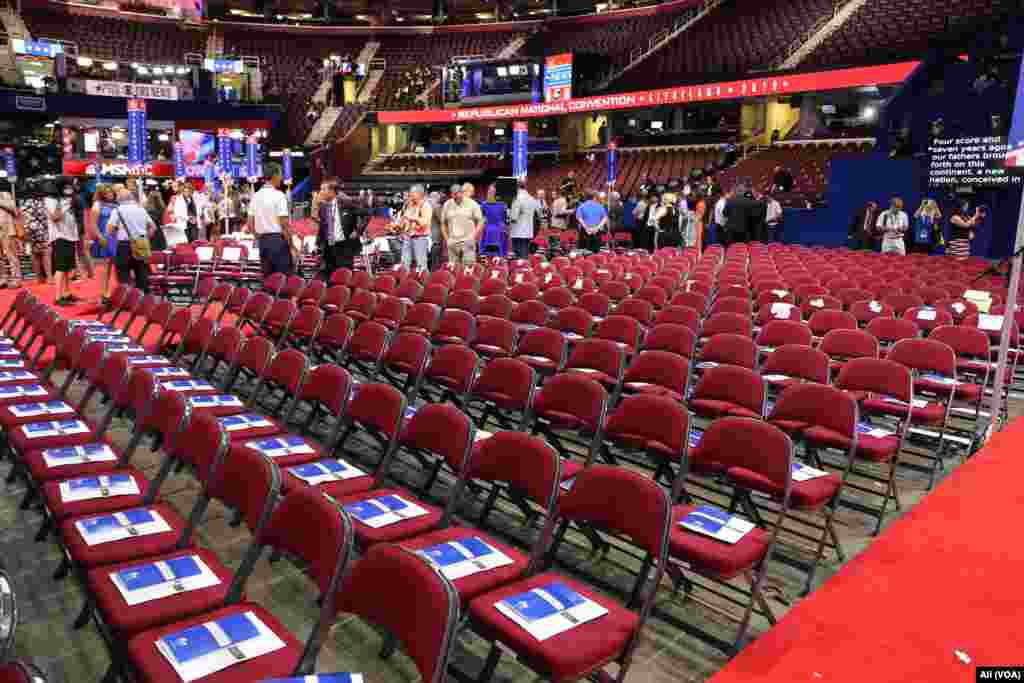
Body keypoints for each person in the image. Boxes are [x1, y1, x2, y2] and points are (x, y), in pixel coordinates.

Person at [248, 163, 296, 276]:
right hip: (278, 242)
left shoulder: (255, 196)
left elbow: (250, 225)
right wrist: (292, 246)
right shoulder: (279, 196)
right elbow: (284, 225)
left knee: (268, 280)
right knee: (283, 280)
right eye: (280, 174)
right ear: (274, 175)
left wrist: (260, 237)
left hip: (263, 243)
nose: (282, 177)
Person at [105, 186, 156, 292]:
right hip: (141, 243)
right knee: (142, 272)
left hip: (124, 245)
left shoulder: (117, 211)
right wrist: (145, 238)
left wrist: (116, 236)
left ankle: (127, 297)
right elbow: (153, 227)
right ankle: (144, 298)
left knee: (123, 273)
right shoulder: (141, 209)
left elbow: (109, 230)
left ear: (119, 198)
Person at [317, 179, 365, 277]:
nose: (320, 192)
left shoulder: (347, 203)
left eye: (323, 189)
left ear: (331, 191)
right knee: (329, 279)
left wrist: (358, 231)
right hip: (328, 249)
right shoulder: (322, 207)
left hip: (345, 248)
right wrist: (318, 243)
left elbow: (366, 214)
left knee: (344, 277)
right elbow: (322, 227)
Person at [45, 179, 80, 305]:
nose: (70, 190)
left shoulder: (68, 200)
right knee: (60, 267)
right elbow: (55, 217)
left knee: (66, 268)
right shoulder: (50, 200)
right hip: (59, 237)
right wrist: (64, 204)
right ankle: (58, 297)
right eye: (67, 187)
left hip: (70, 236)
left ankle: (66, 293)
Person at [86, 184, 118, 305]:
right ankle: (104, 293)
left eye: (111, 192)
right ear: (102, 193)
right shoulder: (97, 204)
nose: (110, 194)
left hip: (116, 238)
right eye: (107, 192)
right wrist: (100, 237)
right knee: (105, 267)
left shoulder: (117, 204)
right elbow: (93, 224)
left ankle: (112, 292)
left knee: (115, 267)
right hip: (104, 238)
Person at [441, 183, 483, 266]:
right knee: (454, 271)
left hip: (468, 242)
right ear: (451, 195)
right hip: (453, 243)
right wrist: (447, 240)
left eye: (458, 193)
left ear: (462, 193)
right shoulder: (447, 204)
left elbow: (480, 221)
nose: (457, 196)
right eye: (454, 194)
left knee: (468, 269)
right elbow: (443, 224)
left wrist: (473, 237)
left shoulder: (472, 203)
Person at [394, 184, 432, 272]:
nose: (410, 195)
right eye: (410, 193)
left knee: (421, 264)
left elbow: (425, 223)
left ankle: (424, 283)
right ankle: (405, 282)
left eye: (412, 193)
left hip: (420, 238)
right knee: (405, 262)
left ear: (420, 194)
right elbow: (403, 220)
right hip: (407, 236)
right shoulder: (408, 205)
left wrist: (413, 219)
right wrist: (397, 227)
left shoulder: (425, 206)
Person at [21, 183, 50, 284]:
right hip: (40, 229)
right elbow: (44, 216)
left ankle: (39, 278)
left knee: (35, 253)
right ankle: (49, 277)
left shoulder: (24, 203)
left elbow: (23, 216)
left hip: (29, 230)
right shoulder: (39, 202)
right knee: (45, 252)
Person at [509, 181, 540, 259]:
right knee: (525, 254)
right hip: (529, 231)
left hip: (518, 232)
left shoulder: (517, 198)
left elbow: (514, 217)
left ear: (517, 188)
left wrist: (508, 213)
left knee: (519, 256)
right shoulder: (531, 198)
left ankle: (521, 270)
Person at [0, 190, 21, 288]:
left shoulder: (4, 194)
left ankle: (16, 279)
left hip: (7, 229)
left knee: (11, 255)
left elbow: (14, 210)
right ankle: (3, 279)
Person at [428, 190, 445, 270]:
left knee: (429, 259)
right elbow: (442, 220)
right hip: (436, 236)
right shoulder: (437, 206)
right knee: (436, 260)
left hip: (427, 235)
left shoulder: (425, 206)